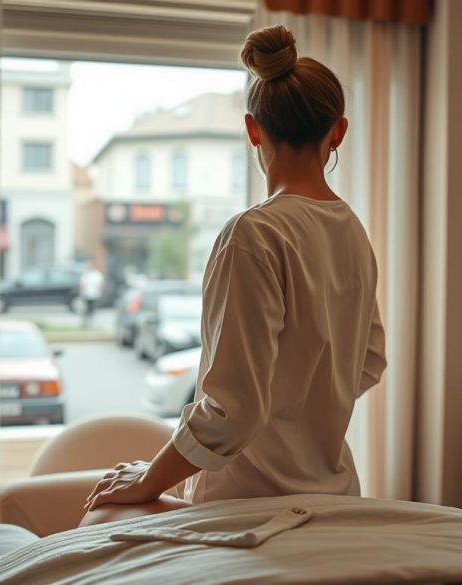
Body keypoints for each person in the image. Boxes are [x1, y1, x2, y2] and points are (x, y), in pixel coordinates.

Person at [81, 24, 386, 525]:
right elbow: (369, 361)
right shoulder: (352, 230)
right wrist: (301, 405)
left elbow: (232, 411)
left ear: (253, 130)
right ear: (338, 131)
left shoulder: (254, 233)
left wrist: (147, 481)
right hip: (335, 505)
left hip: (250, 510)